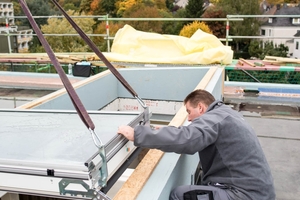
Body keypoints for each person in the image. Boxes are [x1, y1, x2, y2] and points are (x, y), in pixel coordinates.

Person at [117, 89, 275, 200]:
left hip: (243, 195)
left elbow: (187, 139)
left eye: (189, 112)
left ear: (200, 107)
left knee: (180, 195)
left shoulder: (213, 119)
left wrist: (137, 134)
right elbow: (194, 131)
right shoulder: (225, 114)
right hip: (257, 192)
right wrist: (169, 130)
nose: (189, 119)